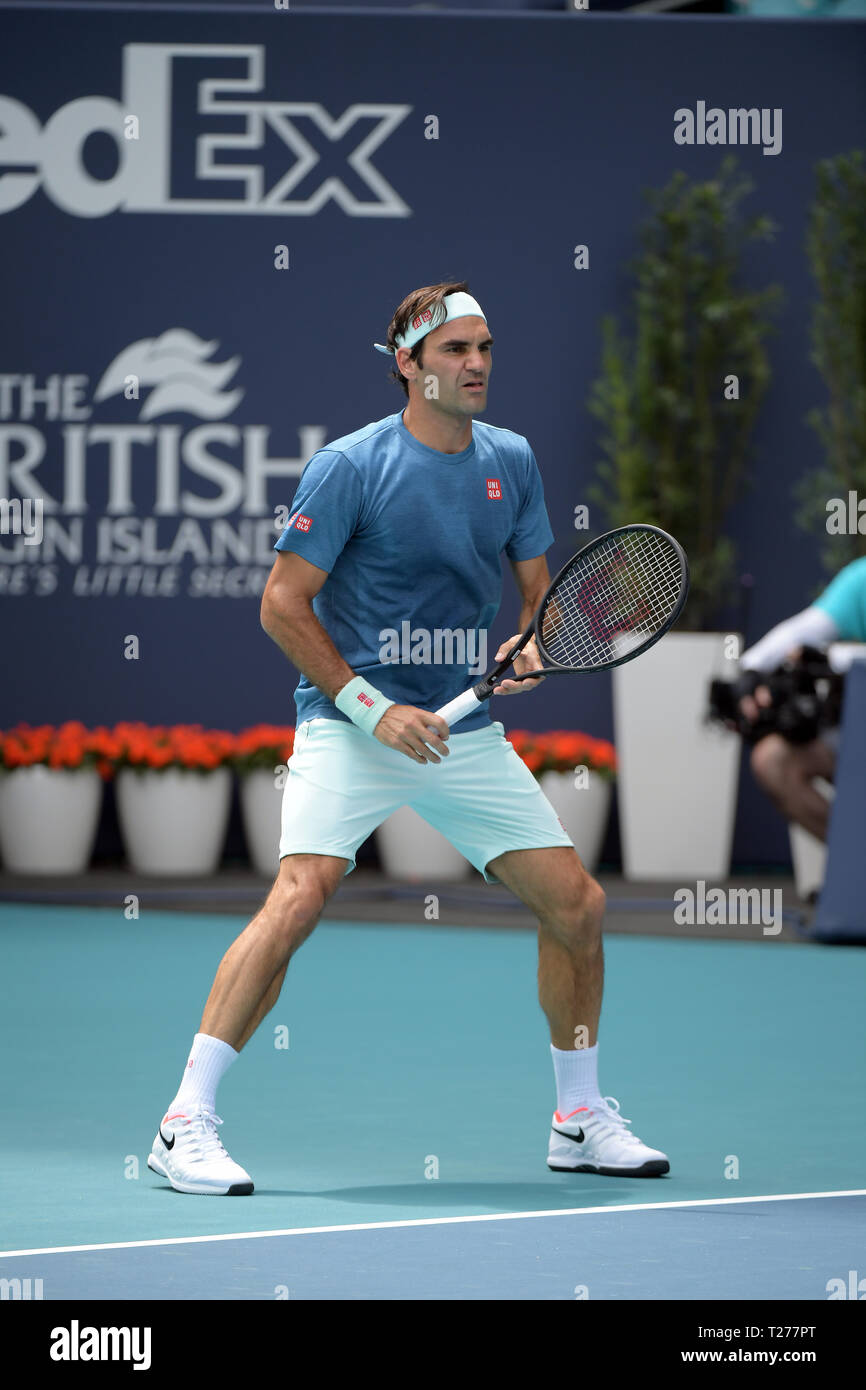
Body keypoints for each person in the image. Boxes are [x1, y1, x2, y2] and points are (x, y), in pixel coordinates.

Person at [147, 281, 669, 1196]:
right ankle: (184, 1120)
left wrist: (534, 644)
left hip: (460, 732)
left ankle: (578, 1117)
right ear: (409, 365)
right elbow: (281, 603)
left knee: (578, 906)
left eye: (485, 348)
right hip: (352, 724)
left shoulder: (511, 459)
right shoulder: (352, 467)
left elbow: (542, 602)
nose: (476, 365)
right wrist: (367, 707)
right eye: (456, 351)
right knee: (301, 897)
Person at [739, 555, 866, 841]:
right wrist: (750, 671)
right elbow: (802, 631)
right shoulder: (861, 576)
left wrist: (830, 657)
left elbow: (829, 655)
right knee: (774, 761)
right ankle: (853, 868)